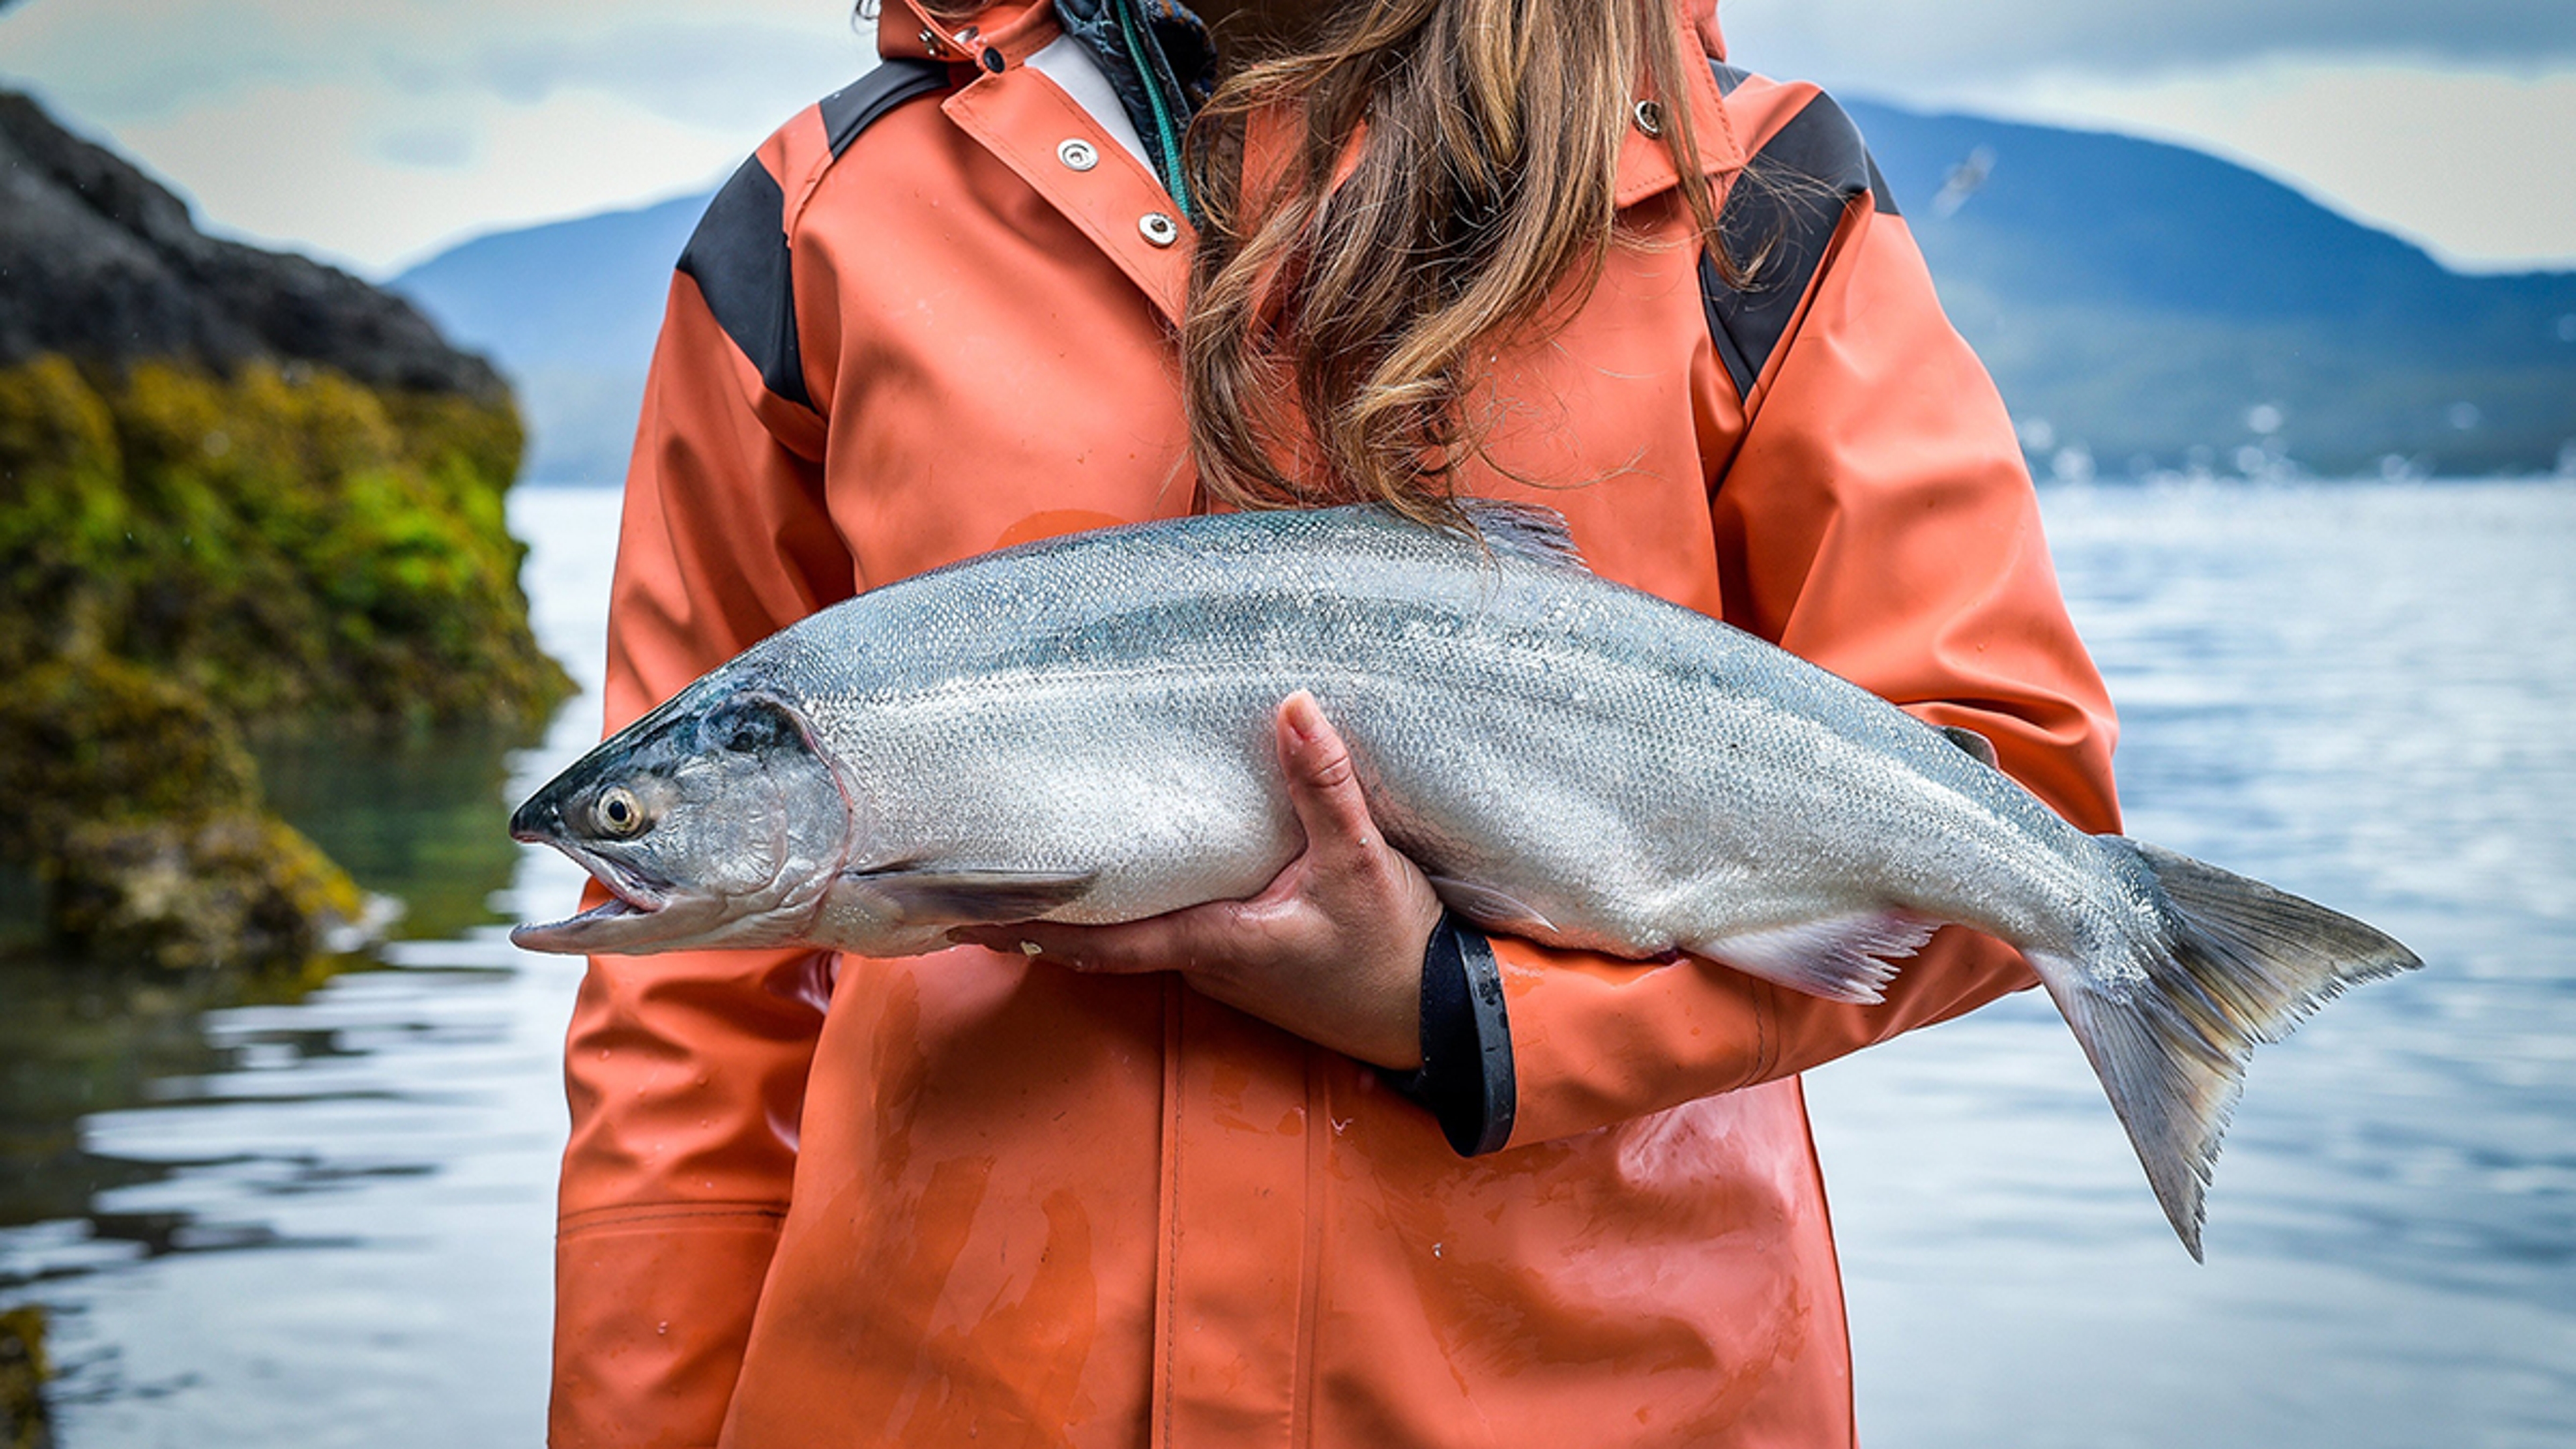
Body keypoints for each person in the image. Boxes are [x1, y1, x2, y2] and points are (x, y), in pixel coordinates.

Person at [550, 0, 2121, 1443]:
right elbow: (685, 1028)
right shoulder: (816, 219)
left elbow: (2013, 803)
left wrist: (1472, 1018)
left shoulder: (1751, 184)